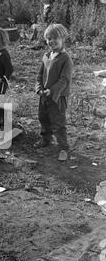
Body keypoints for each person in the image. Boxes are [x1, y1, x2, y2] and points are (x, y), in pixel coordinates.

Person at [35, 23, 73, 161]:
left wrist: (51, 91)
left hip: (58, 97)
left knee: (58, 123)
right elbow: (39, 75)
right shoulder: (46, 56)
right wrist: (39, 88)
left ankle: (63, 148)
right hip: (44, 96)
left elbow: (64, 80)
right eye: (49, 39)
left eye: (55, 38)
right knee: (43, 118)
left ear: (63, 38)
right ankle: (46, 139)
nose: (52, 41)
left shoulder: (65, 59)